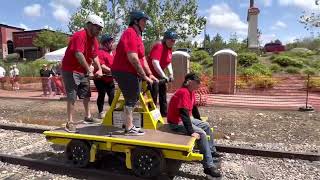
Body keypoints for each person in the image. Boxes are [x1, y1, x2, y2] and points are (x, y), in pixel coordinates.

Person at [112, 10, 158, 136]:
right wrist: (144, 76)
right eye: (143, 21)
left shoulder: (138, 36)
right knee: (132, 97)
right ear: (135, 21)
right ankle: (129, 127)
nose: (146, 24)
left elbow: (142, 58)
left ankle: (128, 124)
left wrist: (149, 74)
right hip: (123, 70)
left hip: (129, 71)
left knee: (134, 96)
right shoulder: (130, 33)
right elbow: (133, 58)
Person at [167, 73, 222, 178]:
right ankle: (208, 167)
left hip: (187, 118)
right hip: (176, 122)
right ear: (190, 82)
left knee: (206, 125)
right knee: (201, 133)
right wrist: (191, 131)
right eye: (197, 83)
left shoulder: (190, 91)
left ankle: (211, 151)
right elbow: (183, 114)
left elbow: (194, 108)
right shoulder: (183, 92)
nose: (198, 85)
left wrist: (199, 121)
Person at [61, 14, 104, 133]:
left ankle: (88, 116)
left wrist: (99, 68)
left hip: (82, 70)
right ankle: (69, 122)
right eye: (98, 28)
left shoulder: (94, 40)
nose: (99, 31)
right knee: (72, 95)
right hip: (70, 69)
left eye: (100, 29)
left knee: (86, 93)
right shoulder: (79, 35)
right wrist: (89, 69)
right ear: (89, 25)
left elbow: (94, 55)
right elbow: (78, 54)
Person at [148, 30, 177, 117]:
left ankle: (164, 113)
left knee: (163, 94)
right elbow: (155, 62)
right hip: (151, 74)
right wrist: (164, 76)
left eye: (174, 40)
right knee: (153, 94)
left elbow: (168, 62)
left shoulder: (169, 49)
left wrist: (171, 74)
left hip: (160, 74)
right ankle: (151, 114)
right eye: (171, 40)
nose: (173, 42)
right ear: (166, 39)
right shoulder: (159, 46)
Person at [94, 34, 115, 119]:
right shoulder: (100, 52)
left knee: (112, 95)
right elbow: (101, 65)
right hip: (100, 79)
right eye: (110, 42)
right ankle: (100, 112)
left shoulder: (113, 54)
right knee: (101, 94)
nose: (112, 44)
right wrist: (112, 71)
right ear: (105, 43)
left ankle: (113, 111)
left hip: (110, 78)